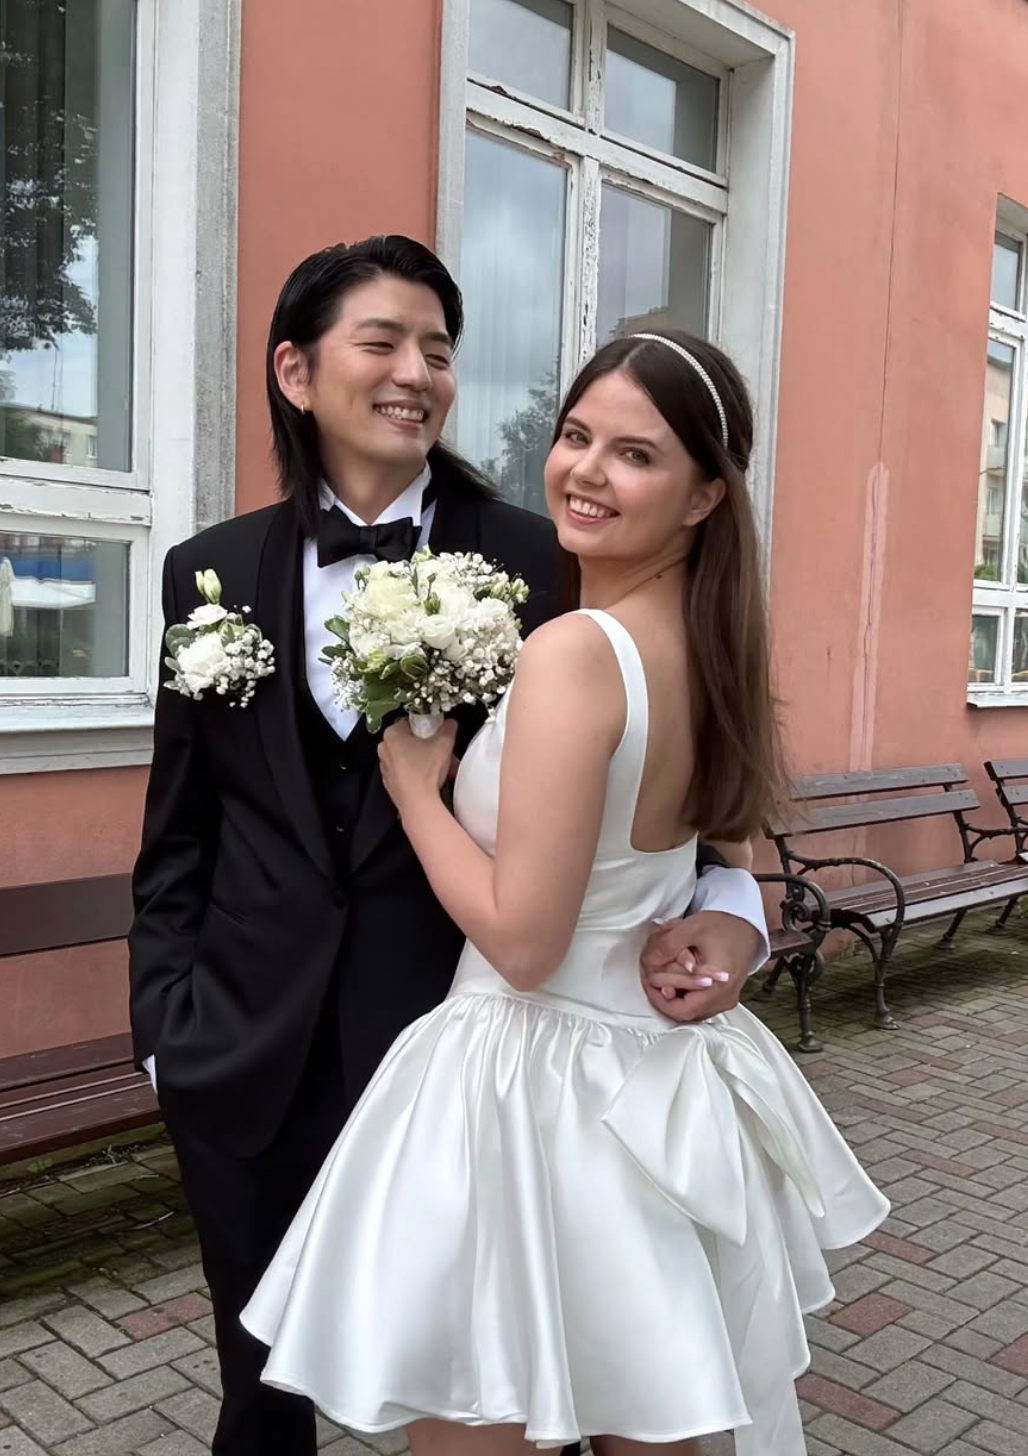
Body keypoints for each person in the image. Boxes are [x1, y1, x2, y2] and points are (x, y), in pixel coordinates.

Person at [128, 237, 772, 1456]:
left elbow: (684, 798)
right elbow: (179, 829)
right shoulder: (203, 571)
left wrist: (734, 918)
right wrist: (166, 1033)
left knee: (517, 1394)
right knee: (258, 1388)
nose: (416, 372)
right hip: (242, 1049)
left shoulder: (553, 556)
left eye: (437, 349)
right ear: (296, 371)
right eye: (382, 341)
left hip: (469, 1060)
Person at [242, 327, 889, 1456]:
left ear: (703, 496)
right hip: (657, 1087)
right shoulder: (710, 644)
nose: (585, 471)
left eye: (634, 454)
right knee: (661, 1416)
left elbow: (524, 940)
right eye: (576, 435)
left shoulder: (577, 652)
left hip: (528, 1086)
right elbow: (729, 856)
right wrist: (733, 923)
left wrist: (415, 793)